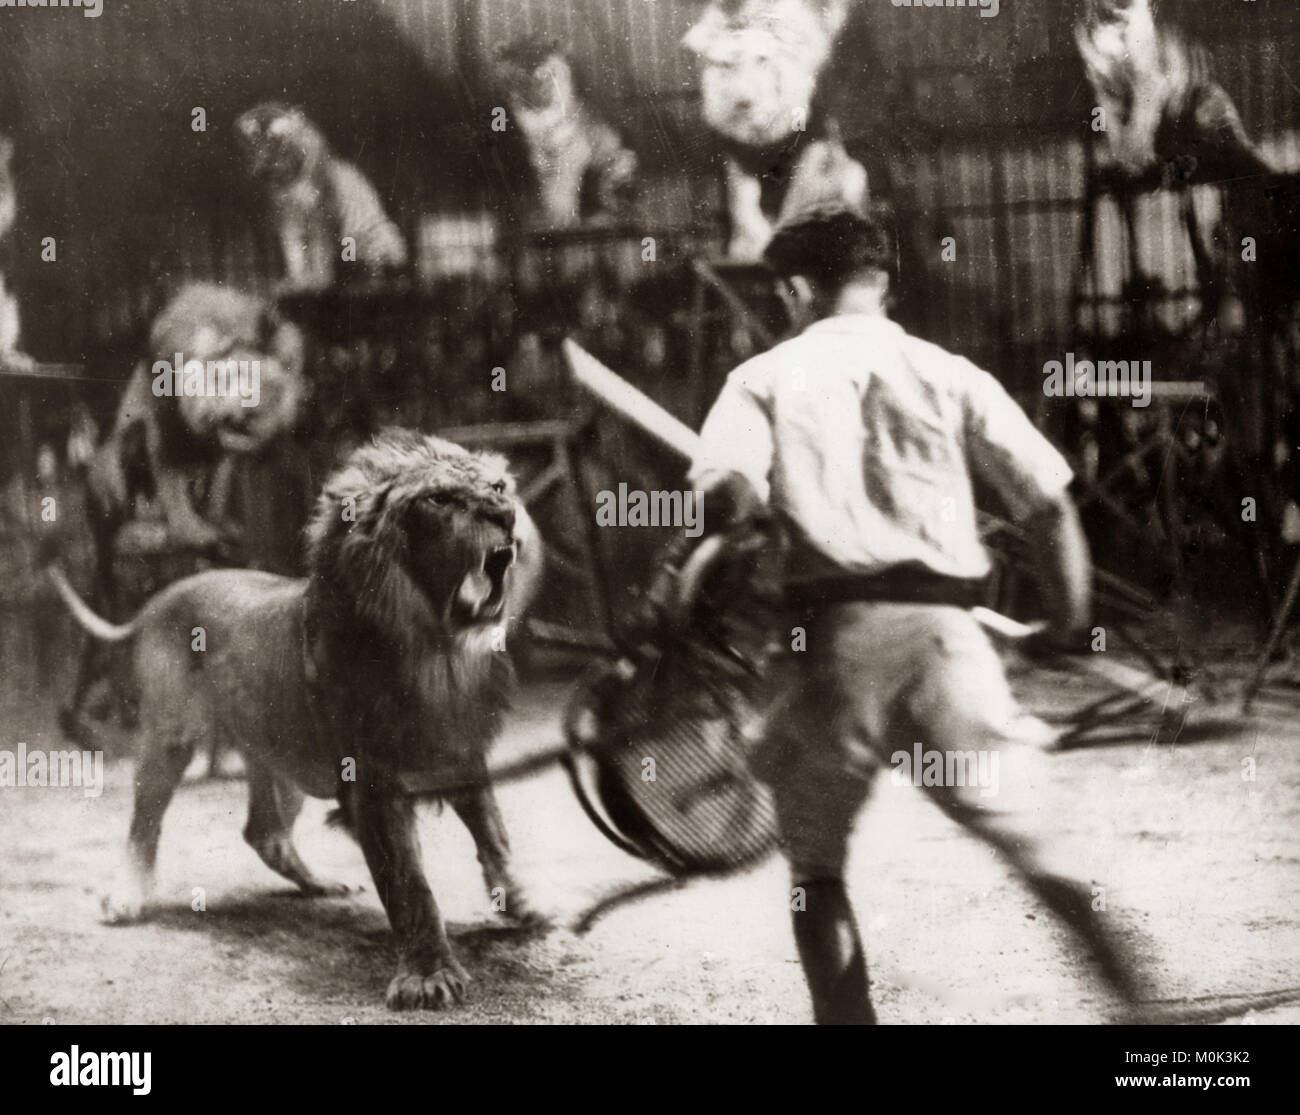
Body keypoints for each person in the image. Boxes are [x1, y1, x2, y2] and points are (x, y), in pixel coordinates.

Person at [689, 205, 1143, 1024]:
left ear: (794, 288)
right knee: (1039, 847)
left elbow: (724, 499)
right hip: (946, 641)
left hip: (828, 648)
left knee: (817, 872)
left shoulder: (759, 380)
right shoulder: (950, 371)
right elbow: (1047, 506)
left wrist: (739, 537)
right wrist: (1067, 624)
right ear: (883, 281)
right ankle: (1147, 1017)